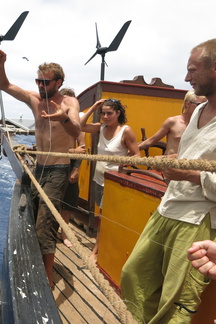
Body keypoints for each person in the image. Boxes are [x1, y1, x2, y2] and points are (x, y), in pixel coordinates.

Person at [120, 38, 216, 323]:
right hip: (168, 208)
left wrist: (188, 174)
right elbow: (192, 156)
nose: (187, 78)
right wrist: (174, 162)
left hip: (198, 219)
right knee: (133, 275)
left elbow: (196, 170)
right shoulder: (198, 110)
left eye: (192, 70)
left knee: (176, 302)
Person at [0, 50, 81, 289]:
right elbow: (4, 85)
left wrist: (63, 118)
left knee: (46, 224)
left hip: (58, 171)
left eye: (46, 81)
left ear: (59, 82)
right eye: (38, 81)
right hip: (38, 168)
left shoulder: (70, 103)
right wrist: (1, 65)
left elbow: (75, 132)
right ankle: (33, 265)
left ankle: (47, 280)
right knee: (31, 217)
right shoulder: (34, 99)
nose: (41, 85)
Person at [80, 98, 140, 261]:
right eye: (103, 113)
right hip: (98, 179)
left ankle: (97, 251)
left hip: (114, 182)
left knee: (103, 217)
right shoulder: (101, 127)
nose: (105, 117)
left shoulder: (125, 131)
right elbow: (81, 126)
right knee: (102, 215)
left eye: (109, 113)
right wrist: (93, 107)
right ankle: (103, 248)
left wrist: (124, 163)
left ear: (118, 113)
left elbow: (137, 155)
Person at [138, 90, 206, 155]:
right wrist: (131, 151)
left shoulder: (203, 125)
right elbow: (151, 141)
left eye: (205, 105)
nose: (202, 108)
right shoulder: (172, 122)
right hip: (170, 164)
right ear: (188, 104)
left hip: (190, 165)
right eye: (199, 105)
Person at [59, 87, 86, 248]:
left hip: (69, 167)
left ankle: (64, 233)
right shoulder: (54, 123)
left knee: (68, 203)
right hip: (53, 165)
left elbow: (83, 149)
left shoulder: (76, 127)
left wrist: (76, 170)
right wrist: (70, 150)